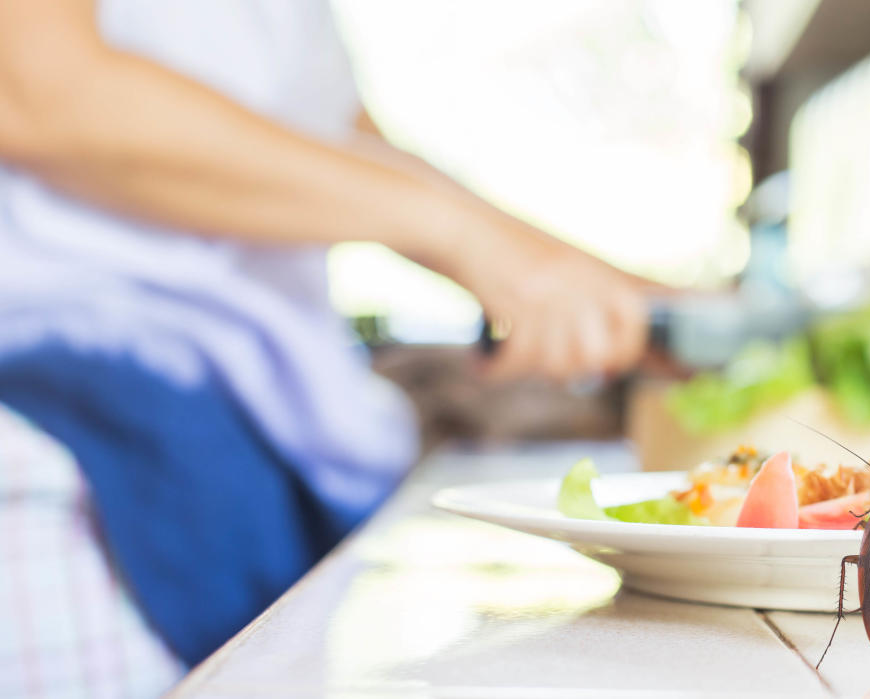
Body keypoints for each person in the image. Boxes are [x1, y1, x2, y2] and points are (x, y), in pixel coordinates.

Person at [0, 2, 651, 696]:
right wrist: (463, 235)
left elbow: (343, 145)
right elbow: (34, 93)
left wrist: (618, 290)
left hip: (249, 394)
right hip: (62, 398)